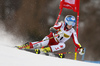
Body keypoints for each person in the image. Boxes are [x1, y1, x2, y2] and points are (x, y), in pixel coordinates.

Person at [19, 15, 84, 55]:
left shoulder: (72, 31)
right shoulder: (61, 25)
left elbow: (76, 42)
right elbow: (52, 28)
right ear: (66, 22)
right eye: (69, 23)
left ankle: (45, 50)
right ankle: (27, 45)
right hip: (51, 38)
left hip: (56, 44)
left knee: (63, 45)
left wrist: (80, 48)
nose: (71, 25)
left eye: (73, 24)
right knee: (42, 43)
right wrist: (56, 32)